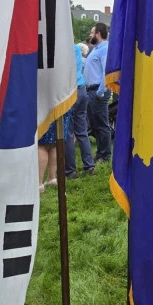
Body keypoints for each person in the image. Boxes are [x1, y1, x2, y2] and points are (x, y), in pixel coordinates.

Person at [65, 42, 95, 179]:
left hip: (70, 91)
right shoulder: (76, 48)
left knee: (68, 133)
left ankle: (70, 170)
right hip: (81, 89)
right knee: (82, 131)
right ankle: (89, 165)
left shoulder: (62, 48)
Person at [84, 22, 111, 164]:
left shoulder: (104, 49)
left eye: (92, 32)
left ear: (98, 34)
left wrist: (100, 91)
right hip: (91, 91)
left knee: (101, 124)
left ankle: (105, 155)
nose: (90, 35)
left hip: (98, 91)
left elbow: (106, 71)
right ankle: (100, 152)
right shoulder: (96, 49)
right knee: (95, 124)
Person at [38, 112, 71, 193]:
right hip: (61, 109)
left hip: (46, 111)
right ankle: (52, 178)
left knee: (41, 146)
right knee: (55, 143)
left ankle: (38, 183)